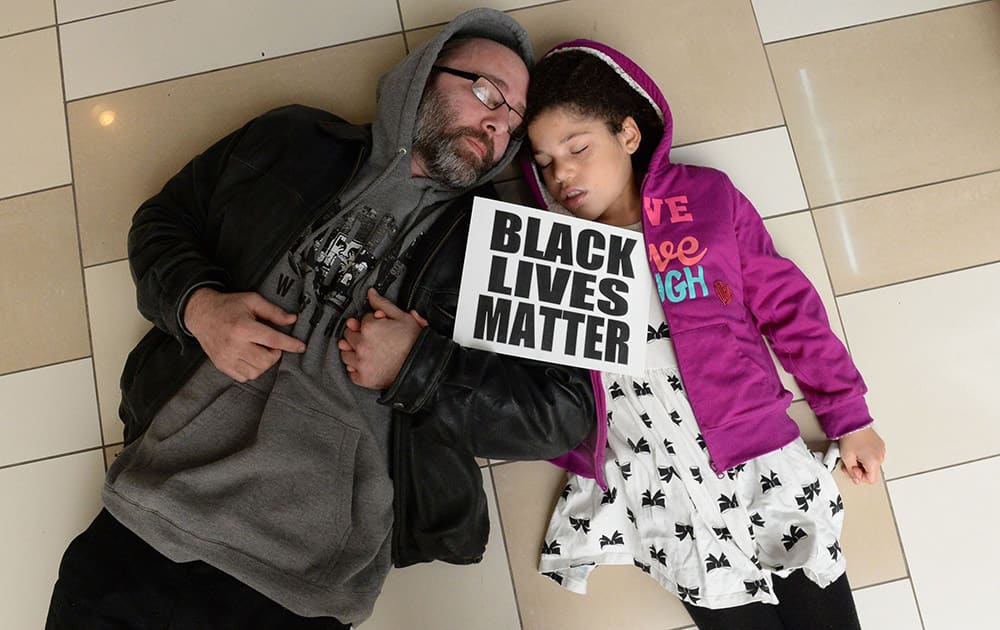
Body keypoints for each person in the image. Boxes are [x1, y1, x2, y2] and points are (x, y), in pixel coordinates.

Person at [45, 10, 595, 629]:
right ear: (422, 75)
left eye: (514, 119)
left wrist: (417, 368)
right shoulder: (292, 139)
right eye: (486, 92)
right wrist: (198, 307)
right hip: (148, 523)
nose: (499, 122)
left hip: (302, 586)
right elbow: (163, 220)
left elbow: (563, 415)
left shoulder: (505, 245)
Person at [519, 40, 886, 630]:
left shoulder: (707, 200)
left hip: (758, 454)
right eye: (543, 162)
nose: (561, 172)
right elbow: (531, 383)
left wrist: (849, 415)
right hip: (657, 485)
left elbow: (789, 306)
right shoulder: (549, 258)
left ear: (629, 135)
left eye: (577, 147)